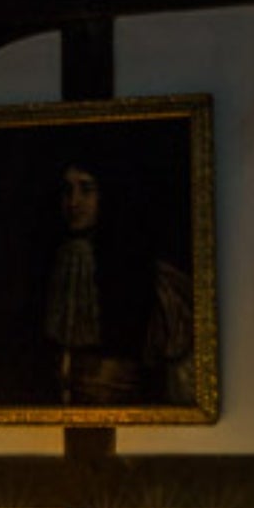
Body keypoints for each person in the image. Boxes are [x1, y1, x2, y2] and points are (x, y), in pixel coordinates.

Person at [35, 161, 193, 408]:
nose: (73, 202)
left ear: (105, 196)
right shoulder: (53, 260)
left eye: (86, 190)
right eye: (67, 191)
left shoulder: (141, 269)